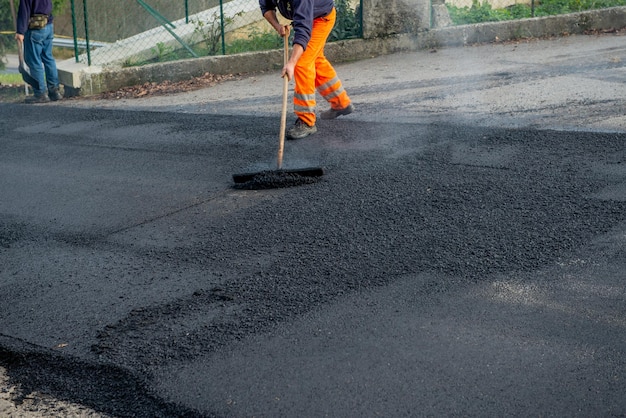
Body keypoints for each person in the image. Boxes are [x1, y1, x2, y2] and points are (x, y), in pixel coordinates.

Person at [260, 0, 353, 139]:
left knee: (301, 63)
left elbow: (303, 30)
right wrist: (278, 26)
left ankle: (307, 121)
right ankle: (341, 103)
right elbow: (266, 6)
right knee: (316, 60)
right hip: (309, 17)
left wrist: (291, 63)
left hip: (321, 19)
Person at [15, 0, 63, 103]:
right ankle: (54, 91)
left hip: (35, 29)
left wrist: (20, 31)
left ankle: (40, 93)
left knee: (34, 60)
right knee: (48, 57)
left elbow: (24, 11)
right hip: (48, 25)